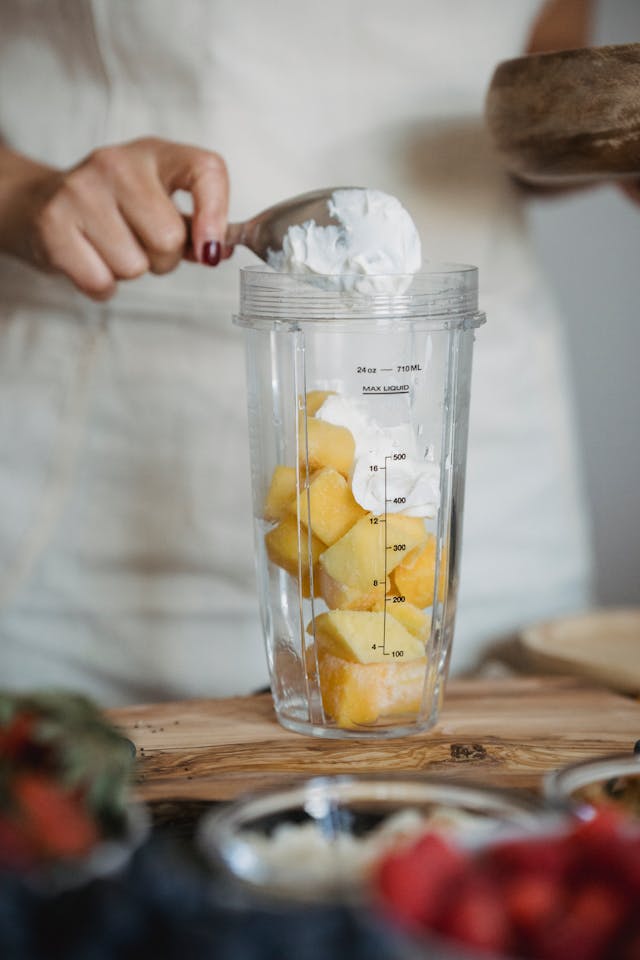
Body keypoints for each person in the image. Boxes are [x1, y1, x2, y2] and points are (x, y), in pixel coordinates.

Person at [0, 0, 621, 705]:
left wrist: (610, 129)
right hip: (93, 499)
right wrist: (22, 191)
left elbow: (541, 84)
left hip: (472, 461)